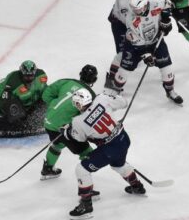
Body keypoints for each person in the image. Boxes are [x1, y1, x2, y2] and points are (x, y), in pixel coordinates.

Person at [62, 89, 146, 219]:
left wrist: (67, 132)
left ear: (79, 104)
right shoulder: (101, 98)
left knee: (82, 169)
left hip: (110, 149)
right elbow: (123, 103)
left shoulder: (78, 121)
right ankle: (137, 186)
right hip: (123, 139)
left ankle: (86, 206)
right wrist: (109, 96)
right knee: (119, 165)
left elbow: (80, 139)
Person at [106, 0, 183, 104]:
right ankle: (117, 90)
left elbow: (168, 3)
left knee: (167, 69)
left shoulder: (155, 3)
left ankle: (170, 91)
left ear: (145, 5)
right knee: (123, 72)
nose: (135, 11)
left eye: (137, 9)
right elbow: (136, 41)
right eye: (134, 9)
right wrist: (145, 55)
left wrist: (166, 19)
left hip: (156, 40)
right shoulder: (131, 19)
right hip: (135, 46)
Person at [40, 64, 98, 180]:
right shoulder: (90, 95)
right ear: (94, 80)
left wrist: (55, 107)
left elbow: (46, 95)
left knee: (58, 143)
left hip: (48, 121)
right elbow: (86, 117)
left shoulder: (66, 81)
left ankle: (48, 168)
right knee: (87, 153)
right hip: (64, 127)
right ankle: (85, 184)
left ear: (80, 74)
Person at [0, 60, 48, 139]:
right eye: (26, 76)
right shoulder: (13, 82)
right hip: (3, 101)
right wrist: (16, 115)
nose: (29, 78)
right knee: (19, 119)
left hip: (26, 100)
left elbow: (45, 91)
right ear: (21, 73)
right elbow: (4, 102)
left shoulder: (41, 76)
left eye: (31, 76)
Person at [105, 0, 151, 88]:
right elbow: (130, 24)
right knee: (123, 52)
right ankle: (111, 79)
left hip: (134, 20)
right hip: (119, 23)